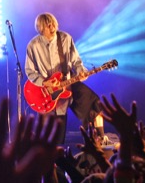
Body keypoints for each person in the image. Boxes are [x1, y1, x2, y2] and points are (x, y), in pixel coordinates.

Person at [24, 12, 101, 143]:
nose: (53, 27)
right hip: (44, 95)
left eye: (54, 23)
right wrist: (44, 82)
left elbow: (76, 61)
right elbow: (30, 71)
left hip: (64, 90)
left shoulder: (65, 38)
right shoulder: (33, 45)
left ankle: (99, 137)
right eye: (48, 25)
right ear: (41, 28)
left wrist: (81, 71)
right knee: (45, 138)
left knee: (60, 136)